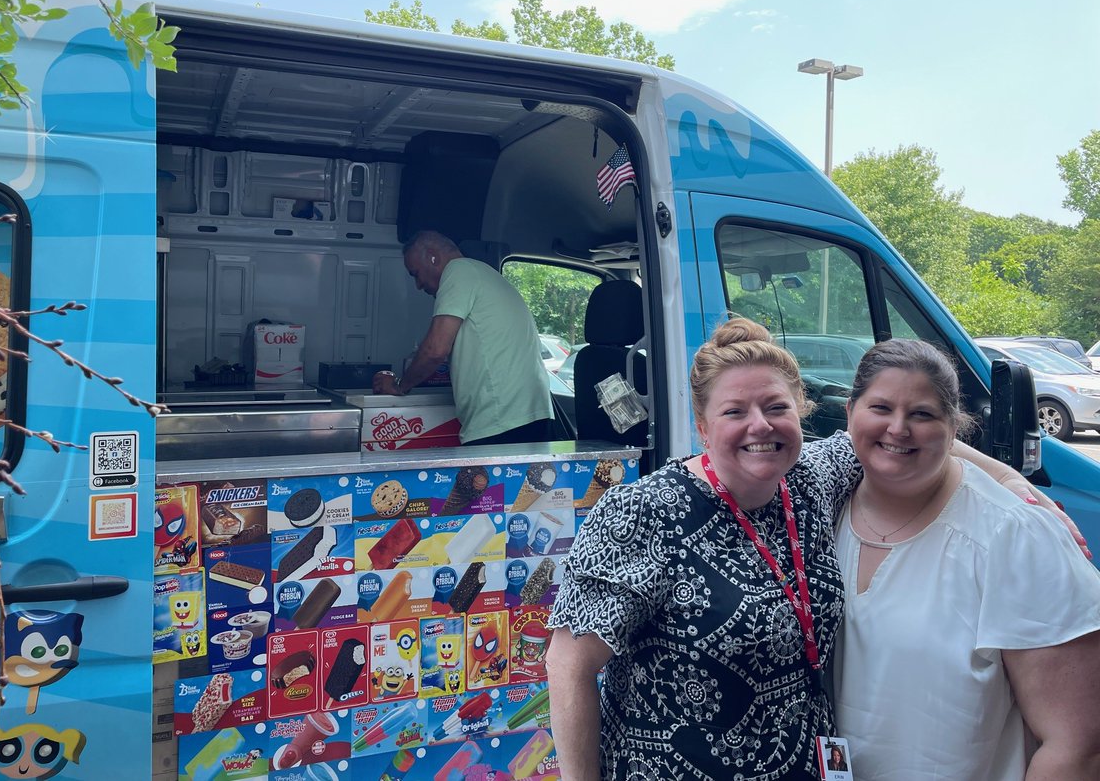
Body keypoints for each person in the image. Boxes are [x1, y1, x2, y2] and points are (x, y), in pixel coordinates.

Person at [545, 318, 1083, 781]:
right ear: (703, 427)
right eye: (735, 412)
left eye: (775, 406)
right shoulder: (643, 512)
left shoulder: (809, 481)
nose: (760, 426)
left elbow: (905, 427)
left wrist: (1012, 482)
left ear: (800, 413)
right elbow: (568, 664)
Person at [834, 338, 1100, 780]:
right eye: (880, 408)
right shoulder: (818, 502)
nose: (898, 428)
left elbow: (1079, 744)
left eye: (923, 414)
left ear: (954, 426)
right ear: (849, 413)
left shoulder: (1014, 535)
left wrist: (1008, 480)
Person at [372, 230, 553, 445]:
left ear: (433, 256)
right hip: (530, 416)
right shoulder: (482, 274)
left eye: (416, 274)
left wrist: (399, 385)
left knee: (483, 481)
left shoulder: (458, 271)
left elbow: (435, 350)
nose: (418, 285)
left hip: (501, 422)